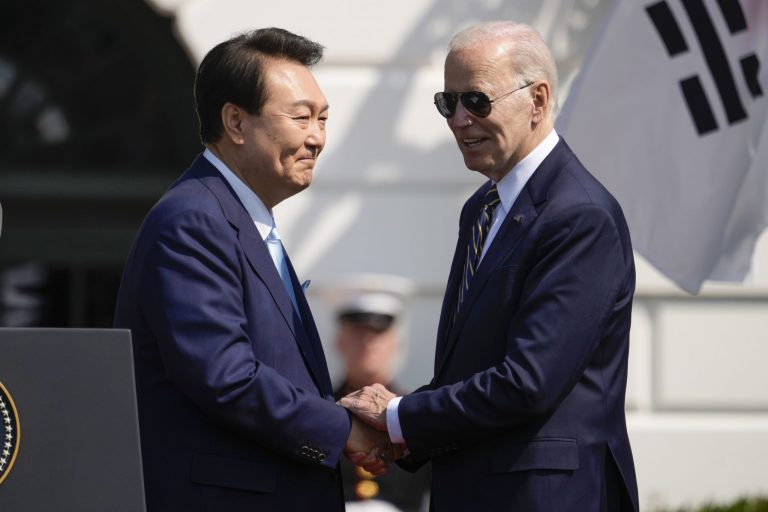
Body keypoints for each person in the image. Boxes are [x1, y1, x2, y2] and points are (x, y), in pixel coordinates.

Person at [340, 21, 639, 511]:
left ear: (538, 100)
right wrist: (402, 436)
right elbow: (469, 369)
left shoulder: (578, 216)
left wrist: (399, 415)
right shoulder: (482, 208)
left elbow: (528, 383)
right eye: (447, 103)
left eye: (476, 100)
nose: (459, 119)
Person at [114, 28, 389, 512]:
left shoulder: (235, 218)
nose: (317, 138)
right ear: (236, 122)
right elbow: (226, 375)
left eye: (323, 119)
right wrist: (342, 429)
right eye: (301, 117)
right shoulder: (194, 219)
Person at [330, 275, 430, 512]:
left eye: (377, 332)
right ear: (339, 341)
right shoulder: (318, 409)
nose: (367, 342)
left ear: (396, 342)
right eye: (357, 332)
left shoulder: (417, 412)